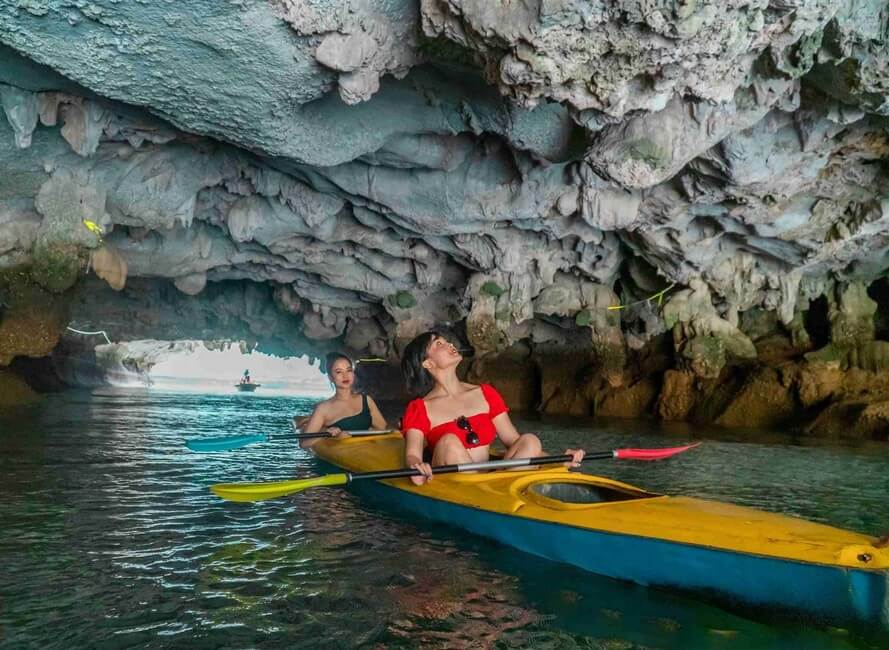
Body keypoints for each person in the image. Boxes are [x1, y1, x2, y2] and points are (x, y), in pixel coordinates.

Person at [400, 331, 584, 485]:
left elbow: (514, 442)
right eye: (439, 343)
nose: (449, 344)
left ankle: (502, 496)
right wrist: (417, 466)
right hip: (457, 485)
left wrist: (558, 460)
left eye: (447, 340)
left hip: (494, 482)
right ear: (427, 363)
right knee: (449, 442)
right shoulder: (420, 408)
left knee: (530, 440)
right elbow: (412, 456)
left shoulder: (485, 393)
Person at [297, 352, 388, 449]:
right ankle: (307, 421)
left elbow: (384, 429)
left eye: (348, 370)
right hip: (344, 452)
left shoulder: (366, 400)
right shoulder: (323, 408)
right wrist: (325, 434)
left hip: (367, 450)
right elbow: (304, 443)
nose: (345, 376)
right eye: (338, 372)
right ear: (331, 377)